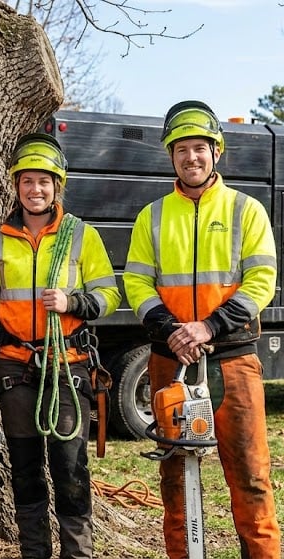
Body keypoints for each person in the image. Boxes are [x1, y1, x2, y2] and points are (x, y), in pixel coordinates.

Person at [123, 100, 281, 559]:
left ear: (216, 152)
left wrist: (209, 326)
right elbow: (136, 281)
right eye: (181, 149)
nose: (191, 157)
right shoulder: (153, 216)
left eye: (199, 148)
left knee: (251, 476)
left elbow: (262, 280)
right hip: (169, 358)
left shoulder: (246, 210)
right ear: (171, 156)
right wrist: (171, 328)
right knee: (173, 476)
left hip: (233, 359)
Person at [0, 133, 121, 559]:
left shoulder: (81, 236)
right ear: (16, 185)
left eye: (43, 181)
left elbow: (110, 296)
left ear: (57, 186)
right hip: (14, 365)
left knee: (70, 467)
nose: (35, 190)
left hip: (67, 363)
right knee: (24, 468)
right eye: (27, 181)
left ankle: (78, 553)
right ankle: (34, 552)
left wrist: (73, 303)